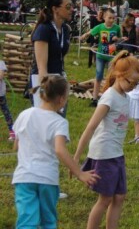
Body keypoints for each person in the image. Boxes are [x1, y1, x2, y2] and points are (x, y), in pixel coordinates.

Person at [12, 75, 99, 229]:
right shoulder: (59, 122)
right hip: (47, 179)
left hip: (24, 177)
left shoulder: (24, 115)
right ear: (61, 99)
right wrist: (80, 173)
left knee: (27, 221)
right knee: (48, 221)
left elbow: (16, 146)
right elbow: (60, 149)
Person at [74, 51, 139, 229]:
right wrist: (76, 158)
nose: (133, 87)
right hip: (104, 154)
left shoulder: (125, 97)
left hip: (116, 153)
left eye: (137, 83)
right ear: (119, 75)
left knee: (119, 197)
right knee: (105, 199)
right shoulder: (109, 97)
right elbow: (90, 127)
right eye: (131, 82)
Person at [30, 0, 72, 117]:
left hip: (58, 79)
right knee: (45, 122)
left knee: (59, 121)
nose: (72, 9)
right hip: (45, 81)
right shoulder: (44, 29)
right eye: (68, 6)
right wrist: (46, 94)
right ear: (55, 9)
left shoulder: (65, 29)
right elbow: (42, 68)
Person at [81, 8, 121, 107]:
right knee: (98, 76)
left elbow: (120, 40)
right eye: (109, 18)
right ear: (104, 17)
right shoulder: (100, 27)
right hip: (100, 55)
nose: (112, 20)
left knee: (111, 78)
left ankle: (109, 98)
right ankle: (95, 99)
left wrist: (118, 39)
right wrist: (84, 35)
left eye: (113, 18)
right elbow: (91, 32)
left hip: (111, 57)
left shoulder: (117, 28)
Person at [0, 60, 14, 141]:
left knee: (6, 113)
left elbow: (1, 76)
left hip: (0, 95)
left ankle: (12, 133)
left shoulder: (1, 63)